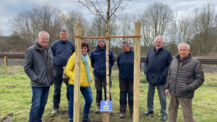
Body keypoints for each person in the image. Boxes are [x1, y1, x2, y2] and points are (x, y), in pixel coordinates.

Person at [165, 43, 204, 122]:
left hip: (185, 93)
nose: (182, 52)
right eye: (180, 50)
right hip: (172, 92)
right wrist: (167, 87)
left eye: (184, 50)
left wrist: (189, 88)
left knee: (187, 116)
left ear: (188, 51)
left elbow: (200, 79)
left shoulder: (195, 62)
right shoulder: (174, 61)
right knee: (171, 112)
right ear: (178, 51)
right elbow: (169, 74)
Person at [24, 31, 54, 122]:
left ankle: (38, 120)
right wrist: (36, 78)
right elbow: (27, 68)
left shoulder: (49, 50)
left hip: (47, 83)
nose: (45, 41)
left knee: (43, 104)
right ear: (38, 39)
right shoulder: (31, 50)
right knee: (36, 105)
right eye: (43, 38)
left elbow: (52, 64)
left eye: (46, 39)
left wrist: (53, 76)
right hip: (37, 84)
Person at [144, 36, 172, 121]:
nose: (157, 43)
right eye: (156, 42)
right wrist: (147, 72)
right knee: (149, 96)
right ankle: (150, 110)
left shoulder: (167, 53)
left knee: (162, 97)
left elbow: (169, 66)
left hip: (161, 80)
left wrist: (163, 75)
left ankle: (163, 113)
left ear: (163, 43)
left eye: (159, 42)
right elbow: (146, 63)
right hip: (151, 79)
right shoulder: (150, 52)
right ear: (154, 42)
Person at [65, 41, 93, 122]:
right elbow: (67, 70)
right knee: (73, 101)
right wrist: (76, 78)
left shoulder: (88, 57)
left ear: (87, 49)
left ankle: (85, 116)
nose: (83, 50)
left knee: (89, 99)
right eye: (81, 48)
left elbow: (90, 69)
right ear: (78, 49)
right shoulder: (74, 57)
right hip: (74, 83)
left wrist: (91, 77)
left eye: (85, 48)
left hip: (86, 83)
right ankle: (71, 118)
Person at [51, 29, 75, 115]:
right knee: (57, 89)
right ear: (59, 35)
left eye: (65, 34)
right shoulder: (54, 44)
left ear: (67, 35)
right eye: (62, 34)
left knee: (69, 88)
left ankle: (70, 105)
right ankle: (55, 107)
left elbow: (75, 55)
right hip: (57, 69)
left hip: (68, 70)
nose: (63, 36)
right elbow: (51, 55)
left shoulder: (72, 44)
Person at [90, 39, 115, 113]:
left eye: (102, 42)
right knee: (98, 91)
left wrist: (108, 68)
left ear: (105, 43)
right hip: (97, 75)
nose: (101, 43)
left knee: (107, 90)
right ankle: (99, 106)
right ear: (98, 43)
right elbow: (92, 62)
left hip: (106, 75)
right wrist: (96, 68)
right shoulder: (94, 52)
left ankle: (108, 107)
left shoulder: (109, 52)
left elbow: (112, 61)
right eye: (100, 42)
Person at [117, 40, 134, 118]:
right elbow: (118, 64)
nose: (123, 47)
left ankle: (132, 111)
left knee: (131, 95)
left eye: (124, 46)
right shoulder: (120, 55)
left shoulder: (134, 54)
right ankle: (122, 111)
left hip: (132, 79)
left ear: (128, 46)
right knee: (122, 94)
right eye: (122, 46)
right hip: (122, 78)